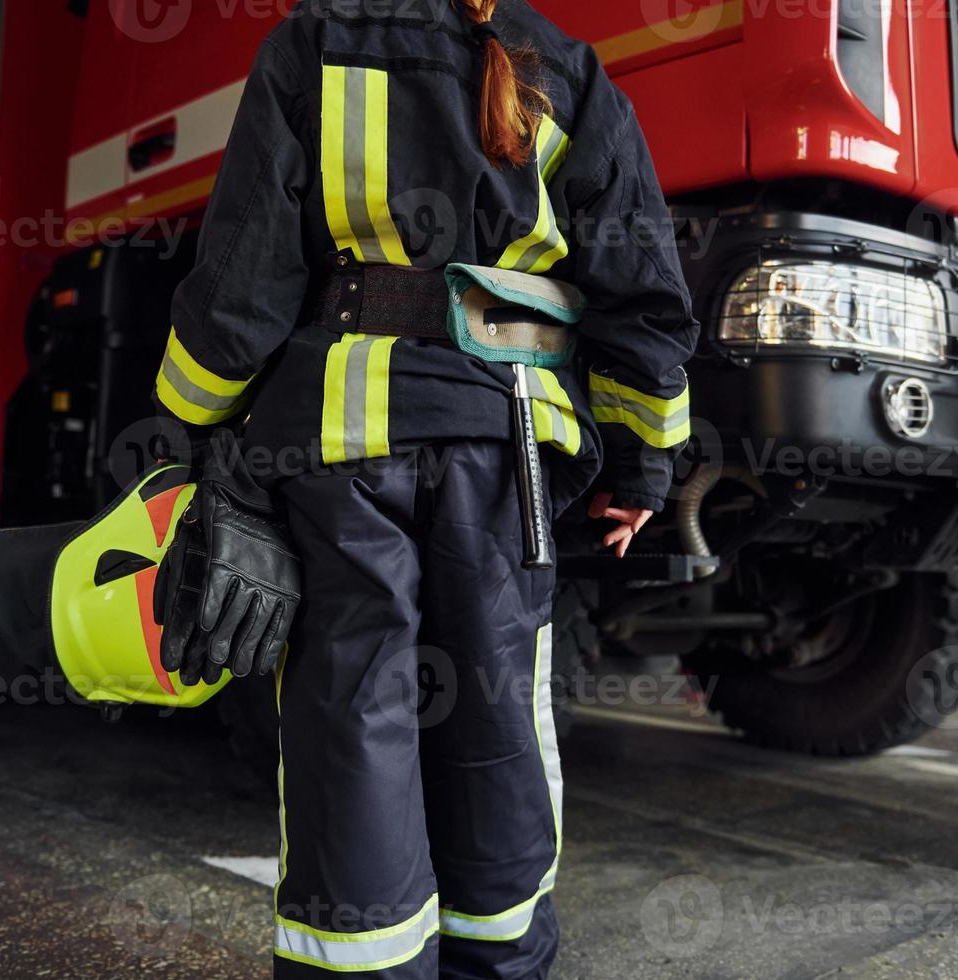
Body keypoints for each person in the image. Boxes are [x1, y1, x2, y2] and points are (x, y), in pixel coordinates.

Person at [151, 0, 698, 975]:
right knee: (497, 723)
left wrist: (188, 429)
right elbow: (642, 287)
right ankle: (499, 960)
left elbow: (242, 275)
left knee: (353, 714)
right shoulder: (566, 71)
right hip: (506, 448)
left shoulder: (313, 43)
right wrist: (644, 461)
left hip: (341, 446)